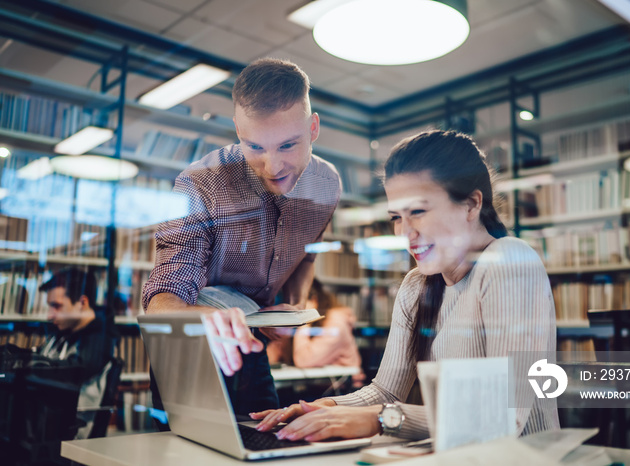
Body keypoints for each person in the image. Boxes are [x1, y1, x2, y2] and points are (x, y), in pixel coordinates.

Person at [251, 130, 559, 441]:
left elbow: (503, 416)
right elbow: (386, 391)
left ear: (471, 204)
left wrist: (384, 419)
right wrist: (321, 408)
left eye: (418, 212)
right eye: (396, 217)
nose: (405, 234)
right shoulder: (417, 285)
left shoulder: (509, 260)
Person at [141, 58, 342, 414]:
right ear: (237, 130)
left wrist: (294, 305)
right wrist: (207, 318)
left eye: (286, 146)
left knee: (260, 437)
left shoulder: (327, 184)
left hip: (253, 340)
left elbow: (307, 253)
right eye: (255, 147)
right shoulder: (201, 184)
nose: (272, 166)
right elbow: (162, 302)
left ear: (313, 128)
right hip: (194, 344)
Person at [39, 267, 118, 439]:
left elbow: (69, 374)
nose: (49, 316)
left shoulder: (99, 342)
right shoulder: (64, 334)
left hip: (69, 438)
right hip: (47, 427)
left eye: (57, 306)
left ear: (82, 303)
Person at [292, 279, 364, 386]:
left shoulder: (336, 324)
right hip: (324, 387)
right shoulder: (321, 323)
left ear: (314, 301)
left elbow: (303, 360)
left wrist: (305, 317)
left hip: (344, 390)